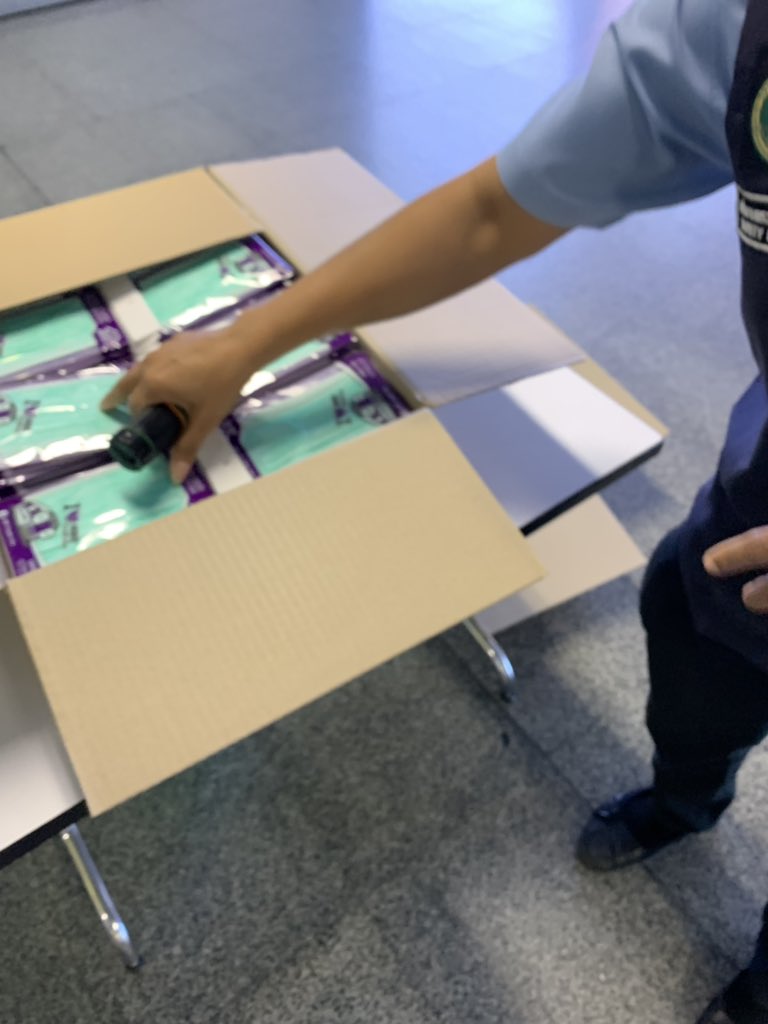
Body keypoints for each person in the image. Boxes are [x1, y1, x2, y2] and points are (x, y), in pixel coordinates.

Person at [103, 1, 768, 1020]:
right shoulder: (729, 25)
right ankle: (686, 795)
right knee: (689, 630)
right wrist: (246, 344)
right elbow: (492, 210)